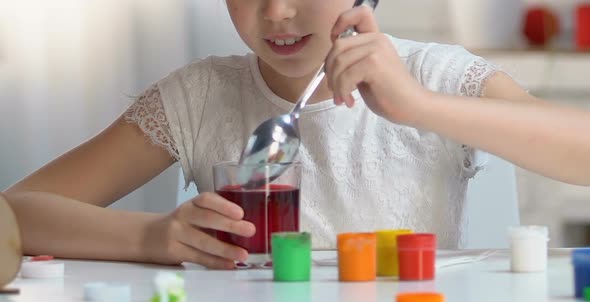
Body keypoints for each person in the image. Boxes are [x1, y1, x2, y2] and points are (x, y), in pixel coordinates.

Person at [4, 1, 590, 269]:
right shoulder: (201, 95)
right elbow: (18, 214)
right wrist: (156, 236)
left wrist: (417, 105)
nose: (277, 12)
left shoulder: (431, 76)